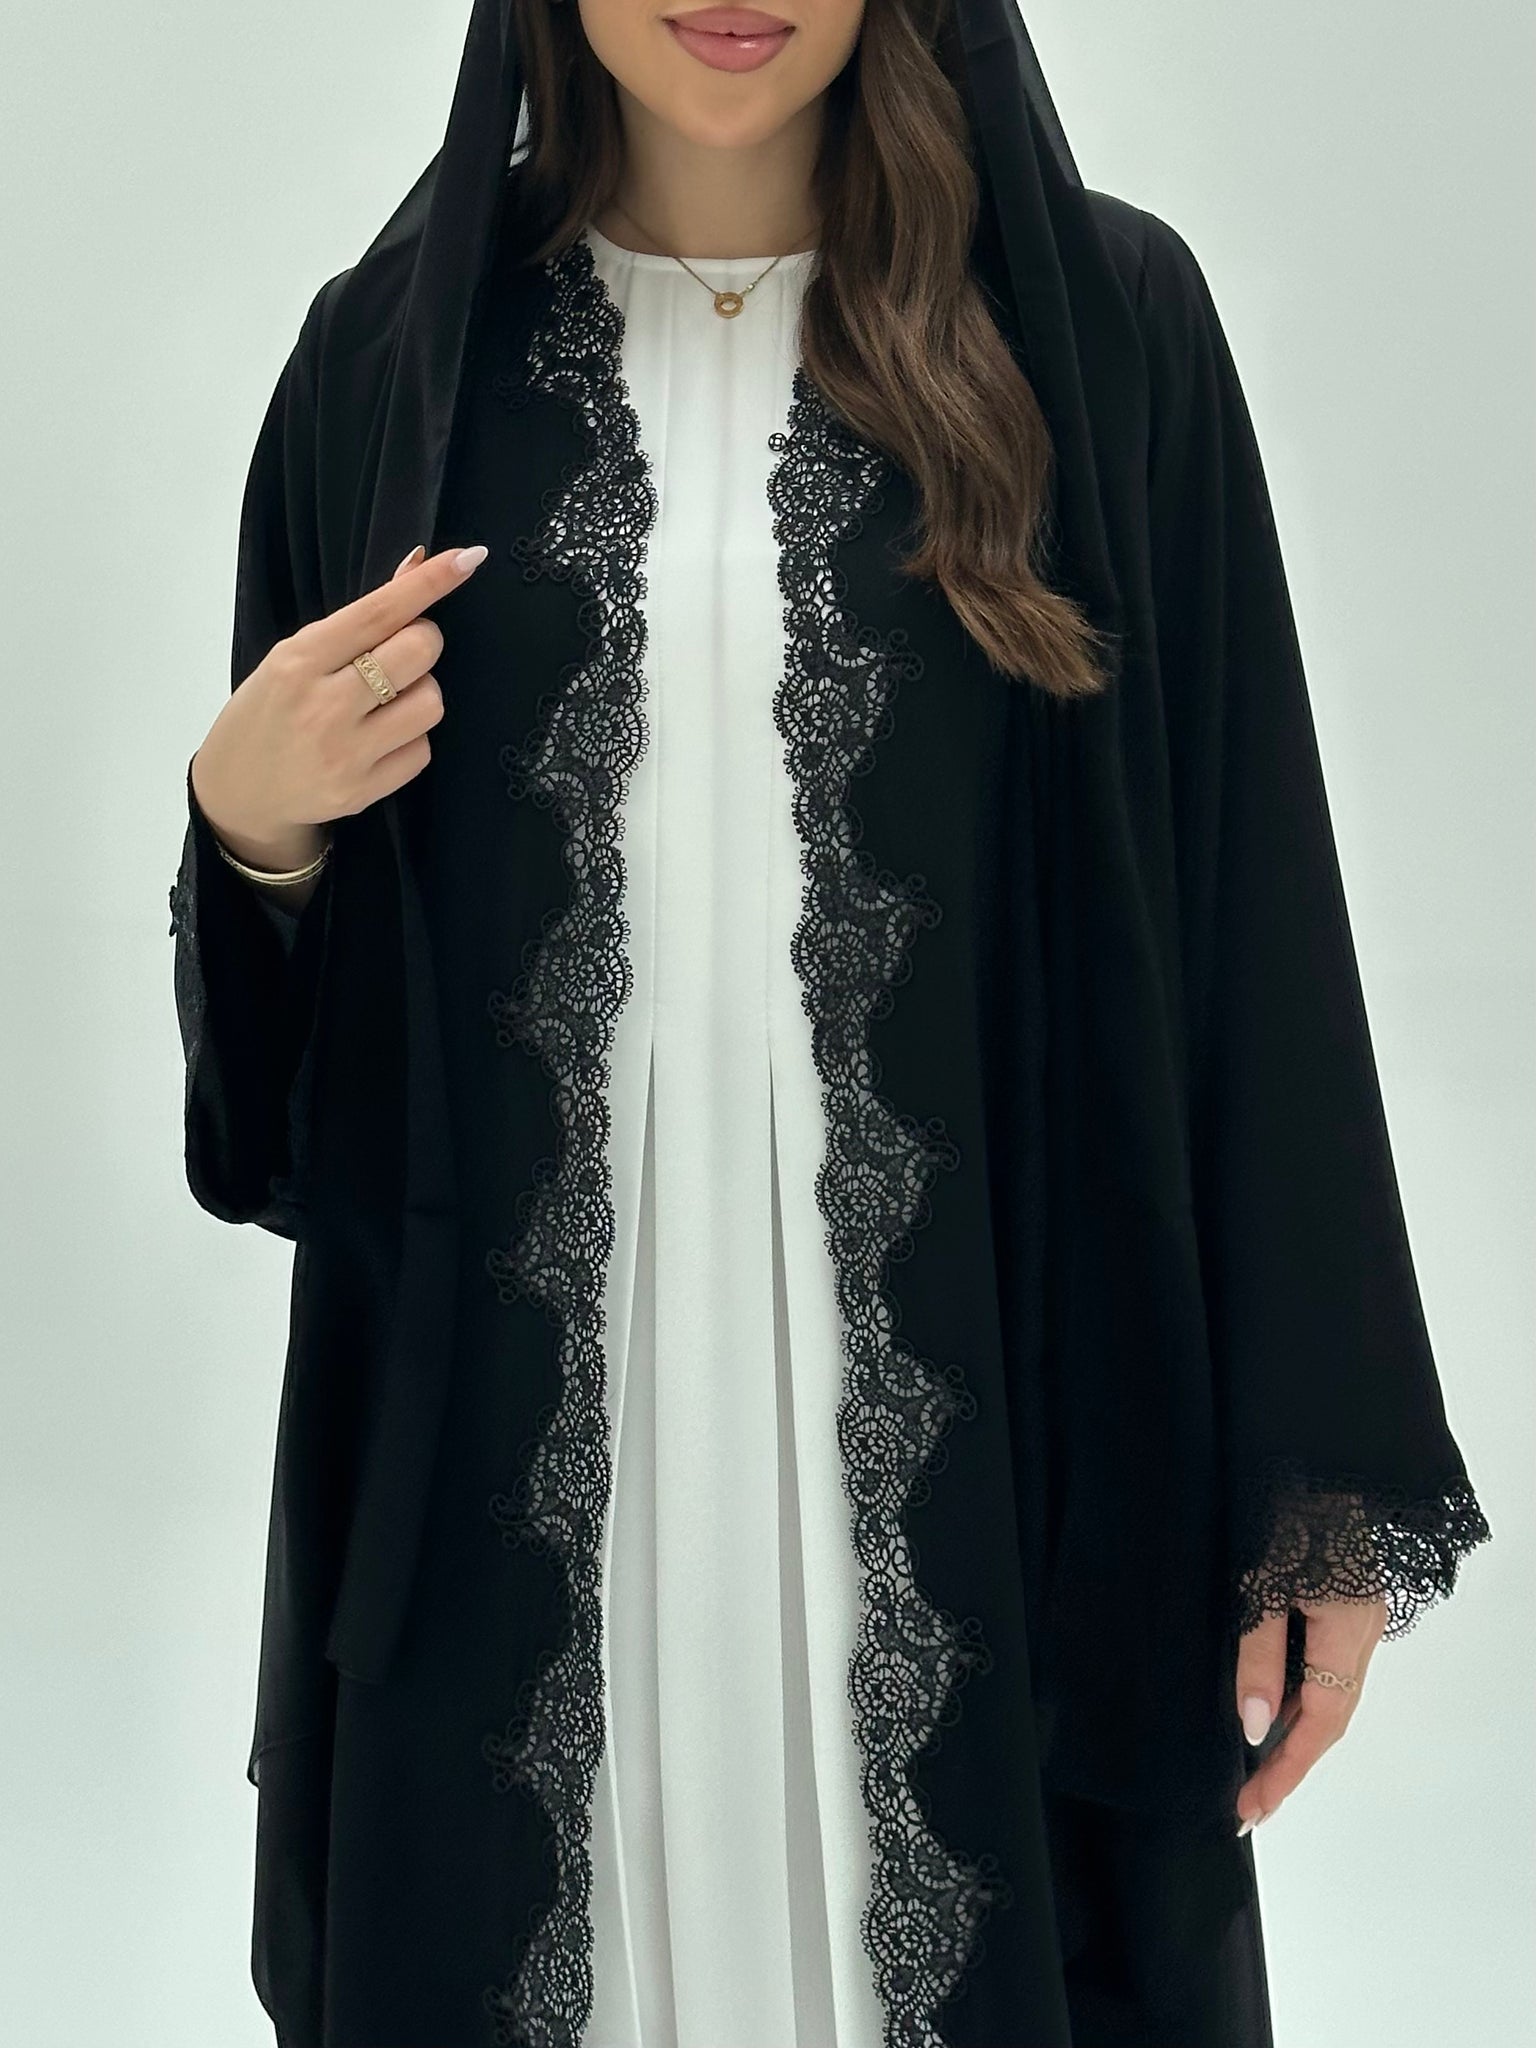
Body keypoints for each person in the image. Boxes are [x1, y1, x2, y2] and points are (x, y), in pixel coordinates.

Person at [168, 0, 1492, 2042]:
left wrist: (1314, 1472)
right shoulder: (392, 366)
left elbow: (1251, 914)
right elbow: (288, 1143)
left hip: (987, 1433)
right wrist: (250, 831)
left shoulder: (1098, 326)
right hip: (532, 1466)